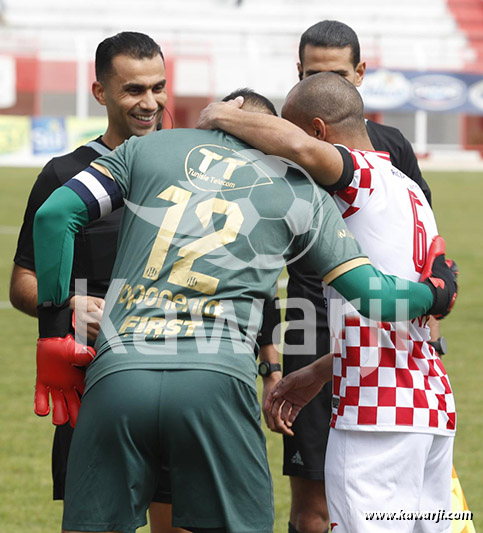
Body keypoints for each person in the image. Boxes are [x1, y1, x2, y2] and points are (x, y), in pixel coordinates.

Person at [32, 91, 455, 533]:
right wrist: (436, 293)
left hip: (118, 372)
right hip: (216, 380)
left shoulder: (145, 147)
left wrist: (52, 334)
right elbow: (376, 299)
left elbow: (55, 216)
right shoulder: (298, 187)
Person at [197, 72, 457, 532]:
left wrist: (217, 113)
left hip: (377, 416)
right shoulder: (409, 188)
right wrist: (321, 371)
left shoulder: (362, 179)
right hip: (428, 405)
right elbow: (394, 319)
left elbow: (297, 148)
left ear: (318, 132)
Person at [257, 19, 439, 533]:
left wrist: (431, 333)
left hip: (391, 328)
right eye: (313, 73)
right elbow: (264, 261)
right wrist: (271, 359)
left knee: (392, 503)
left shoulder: (387, 153)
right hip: (313, 323)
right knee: (315, 504)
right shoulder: (284, 149)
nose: (325, 82)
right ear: (298, 74)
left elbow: (427, 247)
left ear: (359, 73)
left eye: (337, 72)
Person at [10, 30, 183, 533]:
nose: (149, 102)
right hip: (92, 385)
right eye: (133, 90)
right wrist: (67, 307)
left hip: (176, 380)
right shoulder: (63, 175)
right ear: (101, 92)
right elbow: (23, 280)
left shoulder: (190, 171)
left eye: (158, 87)